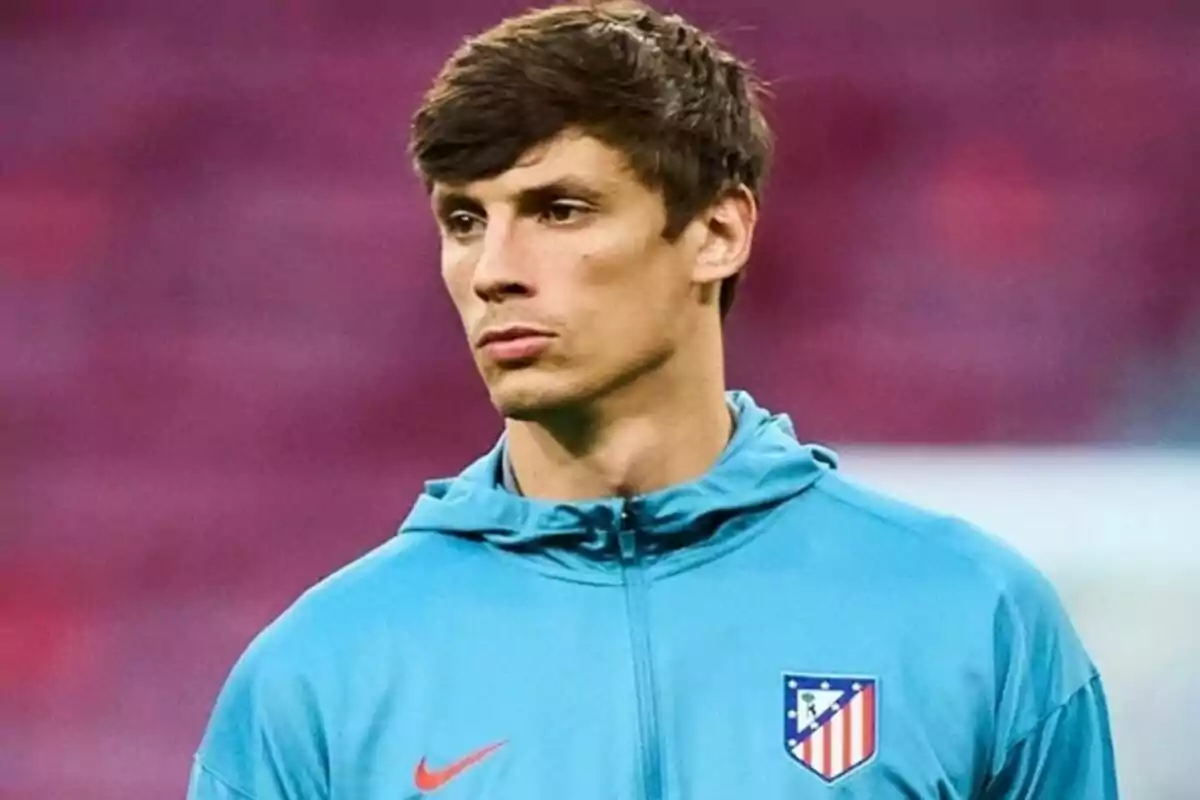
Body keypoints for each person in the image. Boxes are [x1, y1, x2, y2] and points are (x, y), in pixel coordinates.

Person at [188, 2, 1119, 798]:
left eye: (560, 210)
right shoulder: (321, 672)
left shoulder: (969, 616)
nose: (494, 272)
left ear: (717, 230)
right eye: (464, 221)